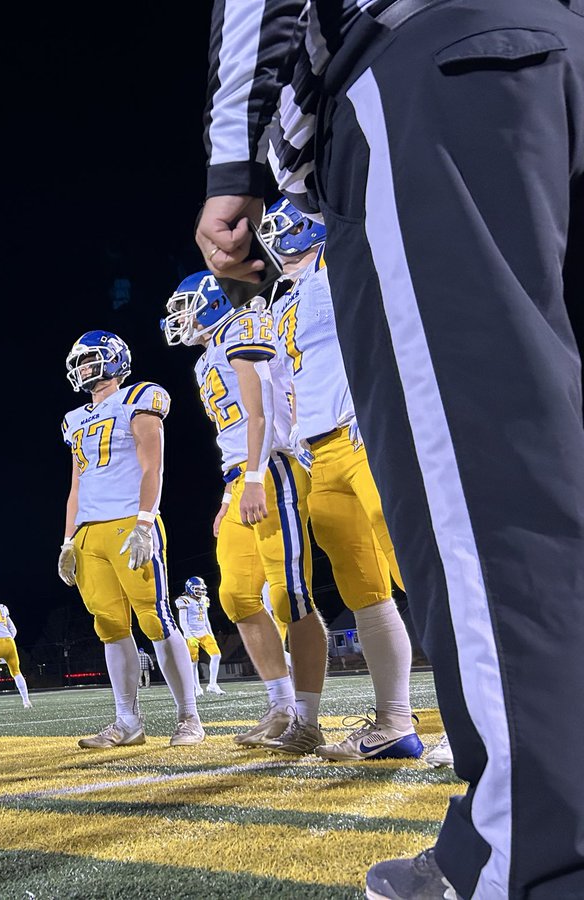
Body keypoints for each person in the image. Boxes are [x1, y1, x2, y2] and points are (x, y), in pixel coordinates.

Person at [198, 3, 584, 895]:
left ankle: (531, 854)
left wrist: (232, 162)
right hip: (553, 45)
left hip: (434, 64)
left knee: (488, 478)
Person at [262, 199, 422, 762]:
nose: (271, 242)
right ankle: (394, 722)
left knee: (420, 568)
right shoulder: (286, 300)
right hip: (322, 453)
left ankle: (483, 714)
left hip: (368, 434)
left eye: (279, 229)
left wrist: (386, 410)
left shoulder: (350, 261)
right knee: (365, 591)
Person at [162, 275, 328, 755]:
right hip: (241, 477)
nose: (178, 317)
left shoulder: (243, 326)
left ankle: (308, 719)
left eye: (185, 306)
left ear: (212, 301)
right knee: (236, 595)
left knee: (290, 595)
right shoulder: (205, 358)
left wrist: (255, 477)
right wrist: (230, 491)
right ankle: (281, 705)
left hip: (272, 467)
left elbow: (260, 413)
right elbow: (235, 430)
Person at [57, 330, 205, 750]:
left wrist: (145, 521)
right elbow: (76, 484)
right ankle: (127, 722)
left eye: (89, 359)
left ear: (112, 359)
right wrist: (68, 539)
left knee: (155, 618)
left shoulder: (139, 396)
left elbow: (151, 466)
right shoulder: (73, 419)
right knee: (108, 626)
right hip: (90, 533)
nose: (81, 367)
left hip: (128, 523)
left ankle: (189, 717)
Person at [175, 577, 224, 695]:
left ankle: (212, 685)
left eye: (201, 589)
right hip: (191, 634)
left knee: (216, 655)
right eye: (197, 589)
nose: (200, 591)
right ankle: (197, 688)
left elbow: (206, 618)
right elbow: (183, 620)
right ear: (190, 589)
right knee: (193, 662)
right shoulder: (184, 600)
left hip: (204, 632)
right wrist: (188, 635)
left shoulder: (204, 600)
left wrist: (210, 633)